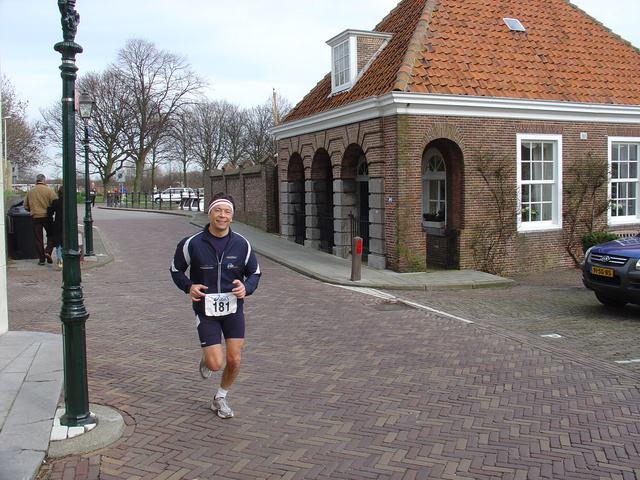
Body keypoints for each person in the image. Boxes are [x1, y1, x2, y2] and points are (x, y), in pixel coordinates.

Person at [170, 193, 261, 419]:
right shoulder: (191, 243)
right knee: (215, 363)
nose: (223, 216)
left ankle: (220, 397)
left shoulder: (242, 244)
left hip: (233, 309)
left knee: (234, 359)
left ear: (232, 216)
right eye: (218, 211)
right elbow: (175, 270)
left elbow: (255, 273)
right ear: (209, 213)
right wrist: (188, 286)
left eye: (227, 212)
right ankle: (206, 359)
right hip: (206, 310)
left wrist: (246, 288)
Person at [23, 174, 57, 266]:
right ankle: (48, 251)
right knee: (51, 234)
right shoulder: (49, 191)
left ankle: (41, 259)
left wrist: (33, 210)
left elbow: (25, 205)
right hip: (47, 216)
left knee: (38, 238)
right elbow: (54, 203)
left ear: (36, 180)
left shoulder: (30, 192)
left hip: (35, 216)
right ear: (44, 180)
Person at [47, 186, 64, 270]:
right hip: (68, 225)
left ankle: (60, 261)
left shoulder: (55, 202)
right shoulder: (70, 202)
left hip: (58, 224)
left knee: (58, 244)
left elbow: (50, 212)